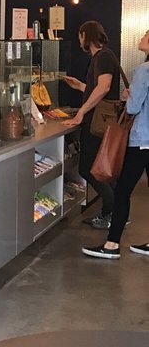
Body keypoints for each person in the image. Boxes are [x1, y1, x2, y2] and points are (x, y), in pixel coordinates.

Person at [82, 28, 149, 258]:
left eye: (146, 35)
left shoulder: (144, 70)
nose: (142, 38)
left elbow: (133, 107)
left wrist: (128, 97)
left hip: (141, 140)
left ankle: (112, 245)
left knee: (122, 192)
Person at [64, 20, 123, 229]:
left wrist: (81, 112)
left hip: (97, 122)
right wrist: (81, 86)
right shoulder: (103, 56)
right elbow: (98, 88)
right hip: (100, 121)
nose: (79, 41)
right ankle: (117, 212)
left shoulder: (103, 56)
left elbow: (104, 88)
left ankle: (113, 211)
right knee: (103, 169)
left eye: (80, 36)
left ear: (85, 36)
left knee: (89, 168)